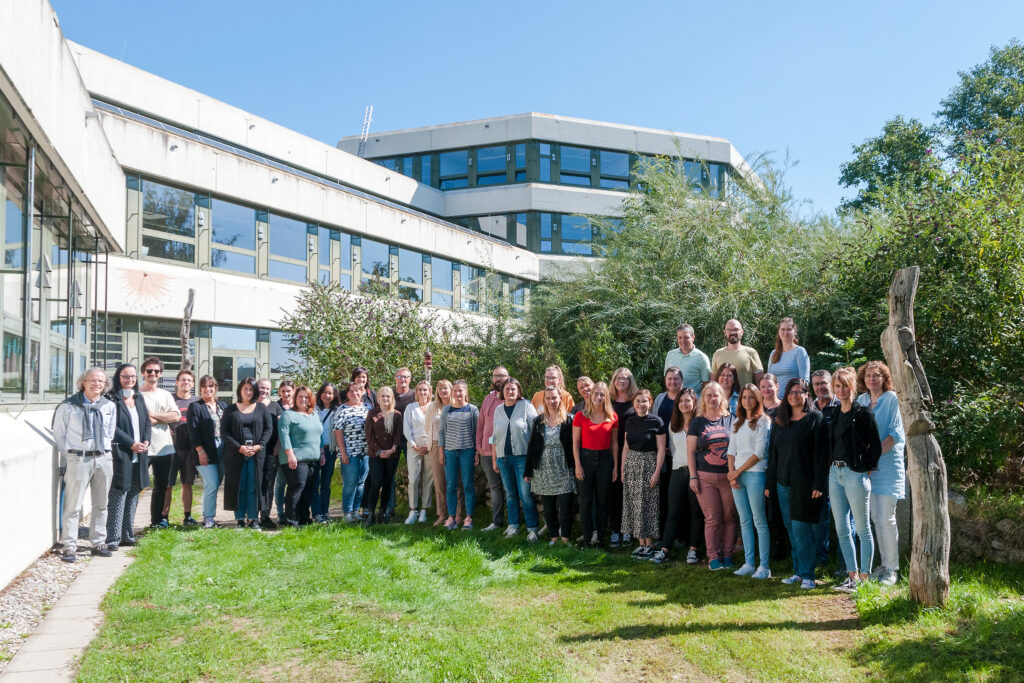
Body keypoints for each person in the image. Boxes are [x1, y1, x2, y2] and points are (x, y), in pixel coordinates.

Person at [765, 378, 829, 589]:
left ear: (806, 394)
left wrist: (819, 484)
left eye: (798, 391)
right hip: (783, 483)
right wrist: (769, 484)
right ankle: (798, 572)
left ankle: (809, 574)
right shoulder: (780, 420)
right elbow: (772, 455)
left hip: (806, 484)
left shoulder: (815, 419)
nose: (794, 395)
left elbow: (822, 455)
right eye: (790, 392)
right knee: (791, 529)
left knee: (802, 530)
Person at [54, 368, 116, 562]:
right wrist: (72, 455)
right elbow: (59, 435)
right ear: (83, 383)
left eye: (101, 381)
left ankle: (98, 542)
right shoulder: (69, 406)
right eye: (93, 380)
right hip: (78, 459)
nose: (97, 384)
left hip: (103, 458)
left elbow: (110, 433)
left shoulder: (109, 406)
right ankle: (69, 546)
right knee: (73, 505)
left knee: (101, 503)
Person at [829, 367, 881, 592]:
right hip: (834, 473)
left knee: (862, 528)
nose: (840, 390)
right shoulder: (835, 413)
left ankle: (865, 577)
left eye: (844, 386)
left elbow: (875, 447)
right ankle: (851, 575)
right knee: (842, 528)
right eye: (837, 386)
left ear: (852, 386)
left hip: (854, 474)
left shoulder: (863, 412)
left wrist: (864, 470)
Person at [858, 361, 906, 586]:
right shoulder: (862, 401)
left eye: (877, 375)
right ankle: (882, 565)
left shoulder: (892, 399)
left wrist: (871, 458)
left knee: (886, 518)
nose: (872, 379)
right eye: (868, 375)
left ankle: (892, 570)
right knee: (875, 519)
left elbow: (895, 435)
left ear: (884, 378)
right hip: (866, 470)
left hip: (886, 467)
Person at [688, 382, 737, 570]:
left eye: (715, 395)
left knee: (730, 517)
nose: (712, 398)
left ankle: (728, 555)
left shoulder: (731, 420)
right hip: (704, 477)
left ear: (722, 398)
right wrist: (693, 477)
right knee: (712, 518)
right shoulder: (697, 422)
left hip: (728, 477)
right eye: (708, 395)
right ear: (703, 399)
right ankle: (713, 557)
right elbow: (691, 452)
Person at [652, 389, 704, 565]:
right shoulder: (673, 425)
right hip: (677, 471)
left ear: (694, 402)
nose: (684, 404)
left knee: (696, 512)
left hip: (696, 473)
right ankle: (665, 549)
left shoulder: (700, 423)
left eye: (687, 400)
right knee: (673, 511)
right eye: (681, 401)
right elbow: (674, 450)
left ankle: (693, 550)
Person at [726, 384, 772, 579]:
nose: (747, 401)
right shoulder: (737, 422)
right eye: (744, 397)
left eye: (751, 397)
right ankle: (749, 563)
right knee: (744, 521)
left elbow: (759, 453)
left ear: (758, 399)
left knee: (759, 520)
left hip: (755, 473)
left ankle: (764, 566)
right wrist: (732, 474)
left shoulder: (763, 421)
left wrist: (738, 471)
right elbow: (731, 450)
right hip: (737, 476)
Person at [105, 364, 151, 551]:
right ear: (118, 377)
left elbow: (146, 422)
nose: (130, 380)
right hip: (121, 453)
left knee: (133, 493)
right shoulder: (112, 399)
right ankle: (113, 538)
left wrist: (146, 441)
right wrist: (130, 442)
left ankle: (127, 535)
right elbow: (111, 427)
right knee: (119, 494)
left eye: (132, 377)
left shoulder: (139, 398)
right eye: (125, 376)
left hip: (139, 454)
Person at [524, 387, 576, 545]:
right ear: (544, 400)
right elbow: (532, 446)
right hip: (543, 469)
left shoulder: (569, 420)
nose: (551, 401)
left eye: (554, 398)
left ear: (560, 398)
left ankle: (565, 538)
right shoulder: (538, 421)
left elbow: (575, 445)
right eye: (548, 398)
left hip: (564, 468)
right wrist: (528, 470)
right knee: (548, 508)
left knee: (565, 505)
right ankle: (554, 537)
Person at [491, 377, 540, 541]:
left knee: (525, 494)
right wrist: (494, 458)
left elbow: (536, 432)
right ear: (502, 392)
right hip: (503, 459)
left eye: (513, 389)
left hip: (522, 459)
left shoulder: (526, 406)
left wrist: (533, 459)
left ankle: (532, 528)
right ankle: (513, 526)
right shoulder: (498, 410)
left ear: (518, 392)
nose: (510, 392)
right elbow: (494, 436)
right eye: (507, 389)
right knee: (510, 494)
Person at [620, 389, 667, 559]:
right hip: (632, 463)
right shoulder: (630, 421)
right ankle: (641, 544)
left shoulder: (657, 421)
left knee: (648, 504)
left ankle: (650, 544)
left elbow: (661, 449)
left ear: (650, 403)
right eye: (638, 401)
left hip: (649, 464)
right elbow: (625, 446)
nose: (641, 404)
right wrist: (622, 469)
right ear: (634, 404)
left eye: (644, 401)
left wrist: (657, 472)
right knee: (634, 503)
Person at [221, 378, 273, 529]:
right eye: (245, 389)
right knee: (239, 486)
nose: (248, 392)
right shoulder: (230, 409)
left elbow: (268, 429)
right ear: (240, 390)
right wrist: (239, 447)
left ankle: (252, 518)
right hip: (236, 454)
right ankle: (239, 519)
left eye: (251, 389)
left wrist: (259, 446)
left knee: (253, 486)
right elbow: (224, 432)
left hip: (257, 455)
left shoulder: (261, 408)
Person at [572, 381, 619, 547]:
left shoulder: (612, 417)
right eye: (595, 394)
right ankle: (586, 538)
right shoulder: (581, 416)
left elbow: (614, 443)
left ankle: (599, 539)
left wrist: (615, 466)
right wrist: (578, 465)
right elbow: (576, 443)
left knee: (602, 501)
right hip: (586, 459)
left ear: (606, 397)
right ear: (590, 396)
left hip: (605, 460)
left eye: (602, 394)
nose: (598, 397)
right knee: (586, 501)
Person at [138, 357, 181, 528]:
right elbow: (141, 419)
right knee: (137, 487)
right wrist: (163, 417)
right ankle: (127, 525)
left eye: (156, 371)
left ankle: (157, 521)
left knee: (161, 487)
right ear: (143, 373)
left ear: (160, 374)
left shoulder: (166, 394)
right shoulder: (137, 395)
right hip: (144, 446)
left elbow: (176, 416)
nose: (153, 374)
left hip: (165, 447)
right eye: (149, 371)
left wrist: (153, 417)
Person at [278, 385, 323, 526]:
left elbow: (319, 435)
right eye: (300, 396)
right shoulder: (288, 415)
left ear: (310, 399)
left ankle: (304, 517)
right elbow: (284, 436)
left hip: (313, 458)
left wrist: (321, 453)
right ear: (295, 398)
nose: (303, 399)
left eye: (306, 397)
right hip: (296, 458)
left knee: (309, 489)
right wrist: (290, 454)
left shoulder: (314, 414)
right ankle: (292, 519)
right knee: (297, 487)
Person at [810, 368, 841, 570]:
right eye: (817, 384)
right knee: (819, 516)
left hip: (837, 468)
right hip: (815, 470)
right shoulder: (810, 408)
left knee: (841, 517)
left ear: (831, 384)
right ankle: (821, 559)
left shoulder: (840, 406)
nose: (821, 386)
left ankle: (845, 563)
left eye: (824, 383)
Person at [439, 380, 480, 530]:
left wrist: (477, 452)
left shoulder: (472, 409)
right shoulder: (447, 410)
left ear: (465, 392)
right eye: (455, 390)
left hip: (467, 451)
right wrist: (441, 452)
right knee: (450, 485)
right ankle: (451, 518)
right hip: (450, 452)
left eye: (460, 390)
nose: (457, 393)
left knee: (468, 484)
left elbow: (477, 433)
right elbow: (442, 432)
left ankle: (468, 517)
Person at [187, 375, 227, 528]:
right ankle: (208, 518)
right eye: (204, 386)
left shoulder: (222, 405)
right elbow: (193, 431)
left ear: (215, 388)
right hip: (205, 450)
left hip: (223, 449)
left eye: (211, 386)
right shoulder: (195, 407)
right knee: (212, 483)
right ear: (200, 389)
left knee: (216, 484)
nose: (208, 389)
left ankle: (207, 515)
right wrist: (200, 451)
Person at [425, 380, 465, 526]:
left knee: (456, 482)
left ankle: (458, 514)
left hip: (455, 446)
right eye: (440, 388)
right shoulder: (432, 407)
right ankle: (442, 514)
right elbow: (427, 426)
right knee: (440, 482)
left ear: (451, 390)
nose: (443, 391)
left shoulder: (457, 406)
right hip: (436, 446)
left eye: (446, 388)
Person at [475, 366, 509, 531]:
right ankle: (497, 523)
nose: (499, 379)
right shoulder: (488, 399)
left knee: (509, 488)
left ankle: (513, 523)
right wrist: (479, 446)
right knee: (495, 488)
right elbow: (481, 423)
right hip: (487, 452)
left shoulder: (511, 397)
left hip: (505, 452)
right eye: (496, 376)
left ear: (508, 377)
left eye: (502, 375)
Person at [364, 386, 404, 525]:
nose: (385, 399)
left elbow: (398, 434)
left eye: (388, 396)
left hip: (392, 455)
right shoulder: (372, 413)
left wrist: (393, 449)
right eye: (383, 396)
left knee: (387, 483)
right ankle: (370, 513)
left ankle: (383, 511)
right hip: (376, 455)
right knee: (376, 482)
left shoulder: (397, 414)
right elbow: (369, 436)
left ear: (391, 398)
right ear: (378, 398)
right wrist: (379, 451)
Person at [608, 367, 638, 548]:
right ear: (614, 380)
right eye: (618, 378)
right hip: (611, 450)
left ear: (630, 381)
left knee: (629, 491)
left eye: (625, 378)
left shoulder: (635, 401)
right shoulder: (608, 402)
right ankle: (615, 530)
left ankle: (628, 530)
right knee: (614, 492)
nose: (621, 381)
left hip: (632, 451)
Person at [165, 369, 198, 526]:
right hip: (170, 448)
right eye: (183, 380)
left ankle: (188, 516)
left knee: (187, 484)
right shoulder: (169, 399)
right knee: (167, 484)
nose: (186, 383)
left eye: (189, 380)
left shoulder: (197, 401)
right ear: (176, 382)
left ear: (192, 384)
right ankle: (164, 517)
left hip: (189, 449)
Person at [334, 382, 370, 523]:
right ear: (347, 394)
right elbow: (338, 431)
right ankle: (347, 512)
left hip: (366, 452)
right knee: (350, 482)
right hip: (350, 452)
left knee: (361, 483)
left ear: (363, 392)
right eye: (352, 391)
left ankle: (355, 511)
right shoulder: (342, 409)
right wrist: (343, 452)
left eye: (358, 390)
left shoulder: (368, 408)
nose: (355, 393)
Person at [653, 367, 683, 536]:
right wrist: (660, 447)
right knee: (663, 494)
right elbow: (655, 424)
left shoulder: (686, 398)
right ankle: (664, 532)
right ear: (665, 381)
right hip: (662, 454)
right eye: (670, 379)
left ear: (681, 381)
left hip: (679, 453)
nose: (673, 382)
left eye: (676, 379)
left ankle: (679, 535)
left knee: (679, 495)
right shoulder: (659, 399)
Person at [383, 367, 416, 522]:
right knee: (390, 475)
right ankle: (389, 508)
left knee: (414, 475)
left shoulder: (415, 394)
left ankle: (414, 508)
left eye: (406, 377)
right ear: (395, 378)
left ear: (410, 379)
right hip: (392, 441)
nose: (403, 379)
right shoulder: (391, 395)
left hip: (412, 440)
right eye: (400, 377)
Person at [403, 380, 435, 524]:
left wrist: (429, 445)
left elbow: (436, 427)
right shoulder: (411, 407)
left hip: (430, 447)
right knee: (413, 479)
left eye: (425, 390)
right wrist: (414, 445)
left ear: (430, 392)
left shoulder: (434, 407)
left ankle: (424, 510)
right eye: (420, 390)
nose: (423, 392)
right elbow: (406, 429)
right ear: (416, 392)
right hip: (413, 447)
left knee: (428, 479)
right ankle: (413, 510)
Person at [311, 383, 341, 523]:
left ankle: (325, 512)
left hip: (330, 450)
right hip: (314, 450)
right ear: (320, 394)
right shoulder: (313, 409)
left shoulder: (337, 411)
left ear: (334, 395)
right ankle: (316, 513)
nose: (327, 395)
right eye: (324, 392)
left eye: (330, 393)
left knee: (326, 483)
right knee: (314, 482)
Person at [267, 380, 294, 527]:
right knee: (280, 483)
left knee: (294, 483)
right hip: (279, 450)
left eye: (288, 391)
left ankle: (292, 511)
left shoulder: (298, 407)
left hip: (296, 451)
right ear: (279, 392)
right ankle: (280, 513)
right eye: (283, 391)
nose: (286, 394)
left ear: (293, 391)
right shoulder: (275, 407)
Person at [711, 319, 764, 388]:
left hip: (745, 398)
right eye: (729, 330)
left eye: (736, 329)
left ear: (742, 332)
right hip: (723, 398)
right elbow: (713, 382)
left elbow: (760, 381)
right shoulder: (717, 354)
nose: (732, 332)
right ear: (724, 332)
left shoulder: (751, 353)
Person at [766, 318, 810, 399]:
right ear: (779, 332)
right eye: (782, 329)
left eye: (789, 329)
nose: (785, 332)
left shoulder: (800, 352)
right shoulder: (773, 353)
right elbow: (768, 379)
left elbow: (804, 381)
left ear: (794, 331)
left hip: (792, 401)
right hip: (774, 402)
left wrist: (794, 397)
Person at [663, 324, 711, 394]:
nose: (683, 341)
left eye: (686, 337)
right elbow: (667, 379)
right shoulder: (670, 355)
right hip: (673, 400)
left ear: (693, 337)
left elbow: (706, 384)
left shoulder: (702, 358)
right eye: (680, 337)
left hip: (693, 401)